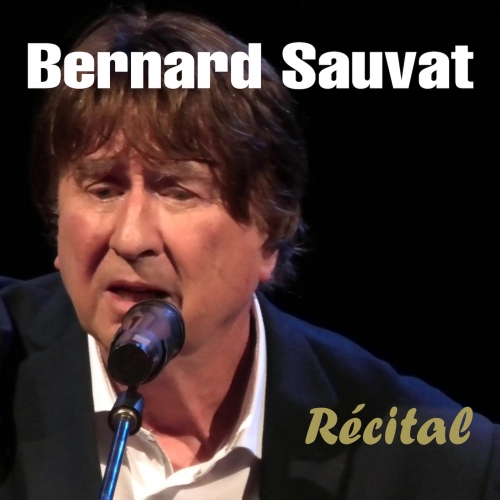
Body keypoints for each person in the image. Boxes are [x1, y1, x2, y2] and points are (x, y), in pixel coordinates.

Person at [0, 7, 498, 500]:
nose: (130, 239)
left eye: (178, 192)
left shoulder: (435, 463)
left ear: (271, 231)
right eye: (103, 190)